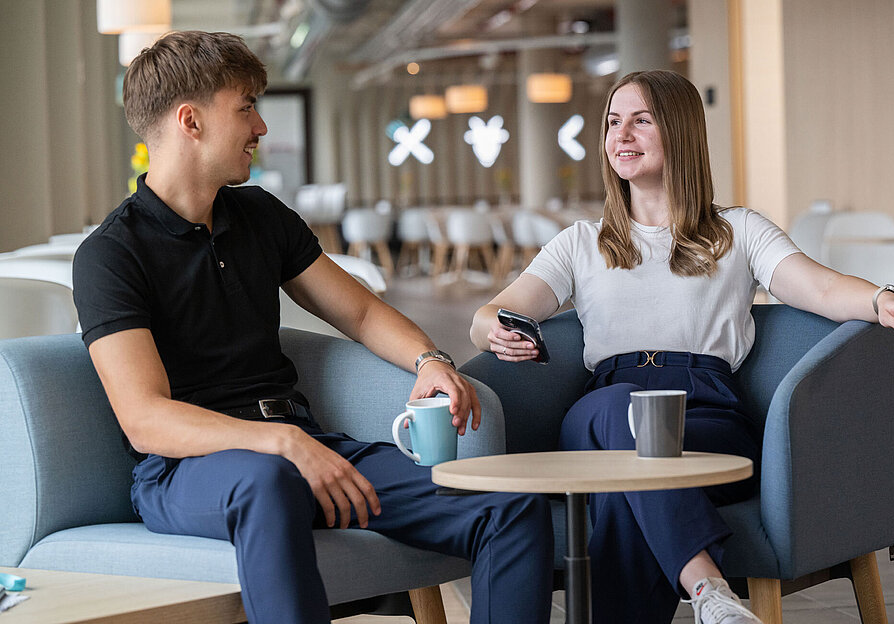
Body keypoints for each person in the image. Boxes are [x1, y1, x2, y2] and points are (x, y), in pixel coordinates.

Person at [72, 31, 553, 624]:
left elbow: (362, 311)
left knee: (509, 507)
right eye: (245, 107)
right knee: (266, 481)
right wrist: (282, 443)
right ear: (189, 121)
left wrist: (432, 362)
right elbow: (145, 418)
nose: (261, 127)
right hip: (188, 473)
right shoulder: (112, 254)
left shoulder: (259, 215)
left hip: (303, 445)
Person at [470, 70, 894, 624]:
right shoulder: (579, 243)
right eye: (614, 122)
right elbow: (492, 313)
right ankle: (709, 589)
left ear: (682, 132)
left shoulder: (738, 231)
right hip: (601, 410)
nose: (622, 134)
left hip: (706, 415)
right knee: (620, 417)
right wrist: (493, 329)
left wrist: (882, 297)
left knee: (622, 487)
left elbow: (818, 286)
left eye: (641, 121)